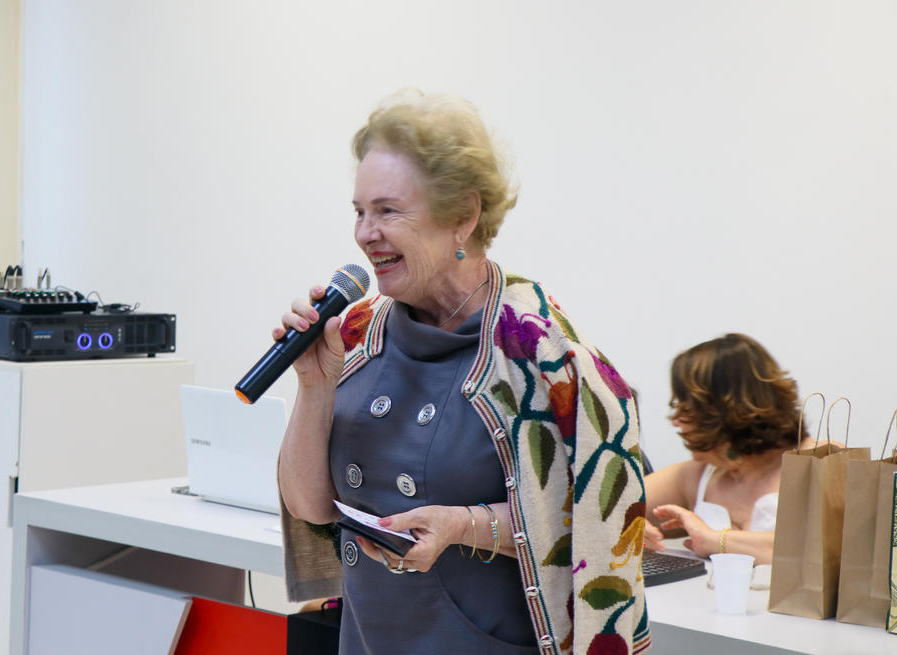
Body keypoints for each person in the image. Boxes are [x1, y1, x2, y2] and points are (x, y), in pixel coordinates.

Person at [276, 91, 648, 655]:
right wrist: (313, 384)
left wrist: (464, 526)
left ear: (463, 217)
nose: (364, 233)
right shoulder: (356, 333)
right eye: (359, 211)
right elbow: (310, 507)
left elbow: (607, 516)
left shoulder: (541, 350)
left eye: (388, 210)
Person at [643, 333, 820, 565]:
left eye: (686, 406)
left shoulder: (820, 460)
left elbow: (824, 550)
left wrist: (713, 541)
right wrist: (625, 524)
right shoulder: (696, 474)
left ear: (722, 409)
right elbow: (599, 505)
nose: (675, 421)